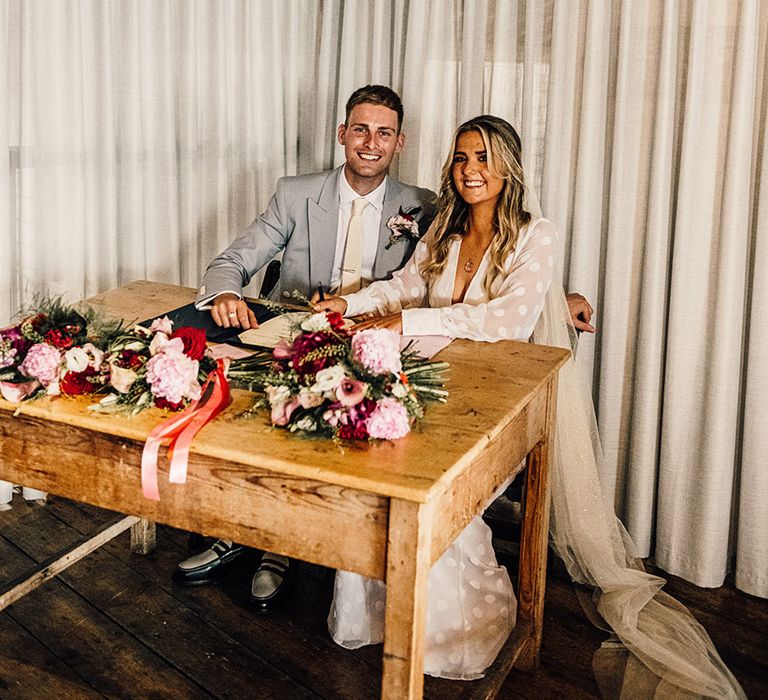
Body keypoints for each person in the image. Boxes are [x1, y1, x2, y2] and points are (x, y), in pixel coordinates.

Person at [314, 115, 745, 697]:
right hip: (429, 383)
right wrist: (353, 303)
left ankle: (456, 634)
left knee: (438, 489)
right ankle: (375, 620)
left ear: (508, 167)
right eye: (462, 158)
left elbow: (507, 319)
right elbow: (404, 284)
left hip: (502, 405)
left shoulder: (534, 234)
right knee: (377, 466)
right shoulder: (443, 224)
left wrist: (406, 320)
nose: (471, 171)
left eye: (484, 158)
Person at [173, 85, 437, 609]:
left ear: (399, 143)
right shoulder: (296, 194)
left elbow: (473, 262)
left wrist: (554, 297)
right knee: (247, 417)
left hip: (370, 346)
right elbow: (234, 259)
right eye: (360, 129)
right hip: (290, 336)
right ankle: (238, 534)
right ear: (342, 134)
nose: (370, 142)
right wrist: (226, 291)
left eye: (383, 132)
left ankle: (283, 549)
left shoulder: (423, 206)